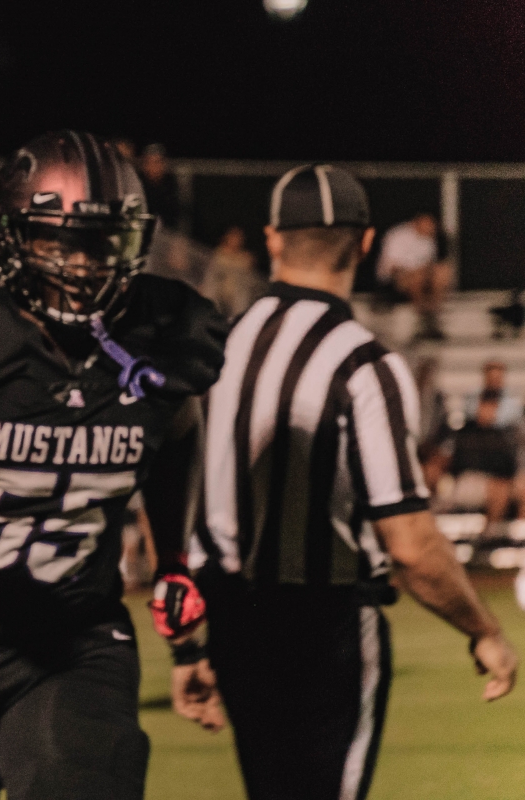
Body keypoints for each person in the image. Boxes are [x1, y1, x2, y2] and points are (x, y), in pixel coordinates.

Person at [0, 130, 229, 800]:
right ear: (14, 238)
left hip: (75, 640)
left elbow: (176, 436)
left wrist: (173, 564)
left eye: (100, 242)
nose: (82, 264)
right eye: (58, 241)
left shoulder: (159, 340)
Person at [196, 164, 518, 800]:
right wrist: (484, 630)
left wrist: (187, 642)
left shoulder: (221, 347)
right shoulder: (362, 363)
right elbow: (410, 545)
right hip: (325, 623)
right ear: (366, 243)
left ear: (273, 238)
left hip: (233, 620)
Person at [427, 390, 523, 525]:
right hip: (468, 479)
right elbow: (453, 460)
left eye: (492, 407)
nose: (488, 412)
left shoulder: (502, 436)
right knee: (498, 490)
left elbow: (510, 466)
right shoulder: (464, 433)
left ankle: (519, 531)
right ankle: (490, 533)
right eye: (485, 406)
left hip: (500, 481)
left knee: (511, 488)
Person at [375, 212, 451, 339]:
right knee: (417, 276)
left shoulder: (429, 240)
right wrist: (416, 270)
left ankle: (434, 315)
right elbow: (392, 266)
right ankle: (422, 318)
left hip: (420, 276)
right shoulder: (398, 235)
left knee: (442, 271)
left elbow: (428, 263)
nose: (432, 229)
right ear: (418, 223)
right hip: (393, 280)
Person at [201, 226, 265, 321]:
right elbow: (211, 274)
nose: (235, 240)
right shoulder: (219, 253)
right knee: (210, 290)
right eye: (233, 237)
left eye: (238, 238)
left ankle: (238, 321)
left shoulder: (244, 257)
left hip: (235, 295)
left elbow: (248, 277)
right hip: (219, 292)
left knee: (241, 295)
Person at [137, 142, 181, 231]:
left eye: (157, 162)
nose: (154, 167)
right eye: (149, 162)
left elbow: (175, 216)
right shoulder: (138, 185)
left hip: (168, 233)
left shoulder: (171, 185)